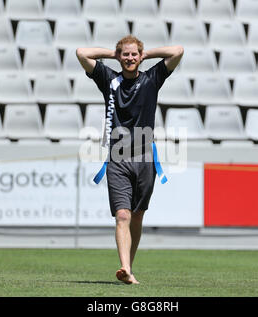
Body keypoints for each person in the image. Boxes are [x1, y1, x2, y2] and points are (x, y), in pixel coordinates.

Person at [76, 36, 183, 284]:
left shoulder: (151, 79)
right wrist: (112, 54)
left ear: (140, 56)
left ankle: (128, 268)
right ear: (119, 56)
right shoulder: (109, 79)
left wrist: (148, 54)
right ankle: (124, 267)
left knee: (137, 215)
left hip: (145, 158)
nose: (130, 58)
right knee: (122, 215)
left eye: (134, 54)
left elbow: (177, 50)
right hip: (117, 158)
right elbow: (82, 53)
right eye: (125, 54)